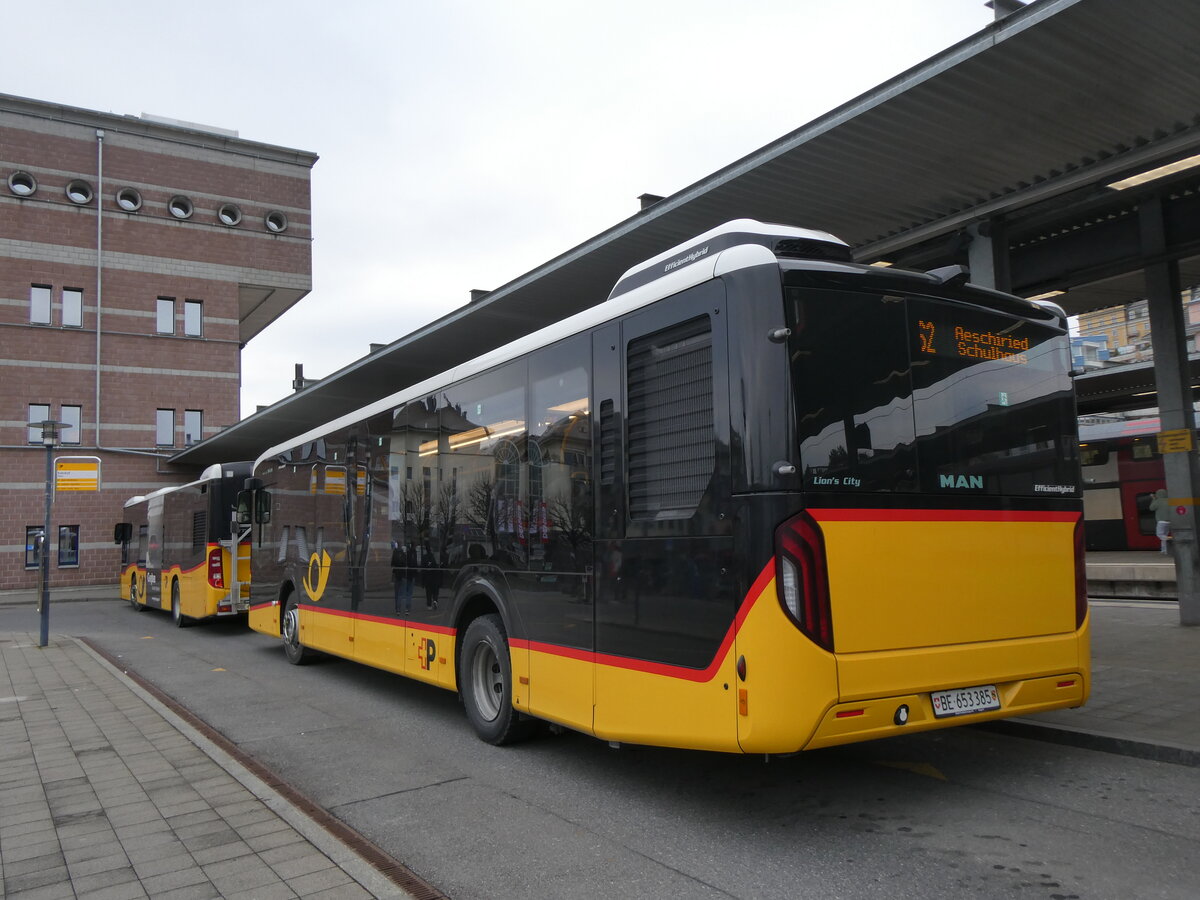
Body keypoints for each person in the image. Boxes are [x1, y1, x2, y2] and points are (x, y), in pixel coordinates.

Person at [391, 541, 416, 614]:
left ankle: (397, 609)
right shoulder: (405, 555)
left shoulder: (395, 554)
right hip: (403, 576)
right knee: (403, 594)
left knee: (397, 593)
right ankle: (406, 609)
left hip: (397, 575)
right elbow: (407, 565)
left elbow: (392, 564)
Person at [1149, 489, 1171, 554]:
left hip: (1161, 522)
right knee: (1164, 535)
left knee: (1160, 535)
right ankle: (1164, 550)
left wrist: (1153, 499)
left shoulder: (1158, 501)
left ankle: (1170, 538)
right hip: (1170, 521)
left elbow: (1151, 508)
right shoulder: (1169, 501)